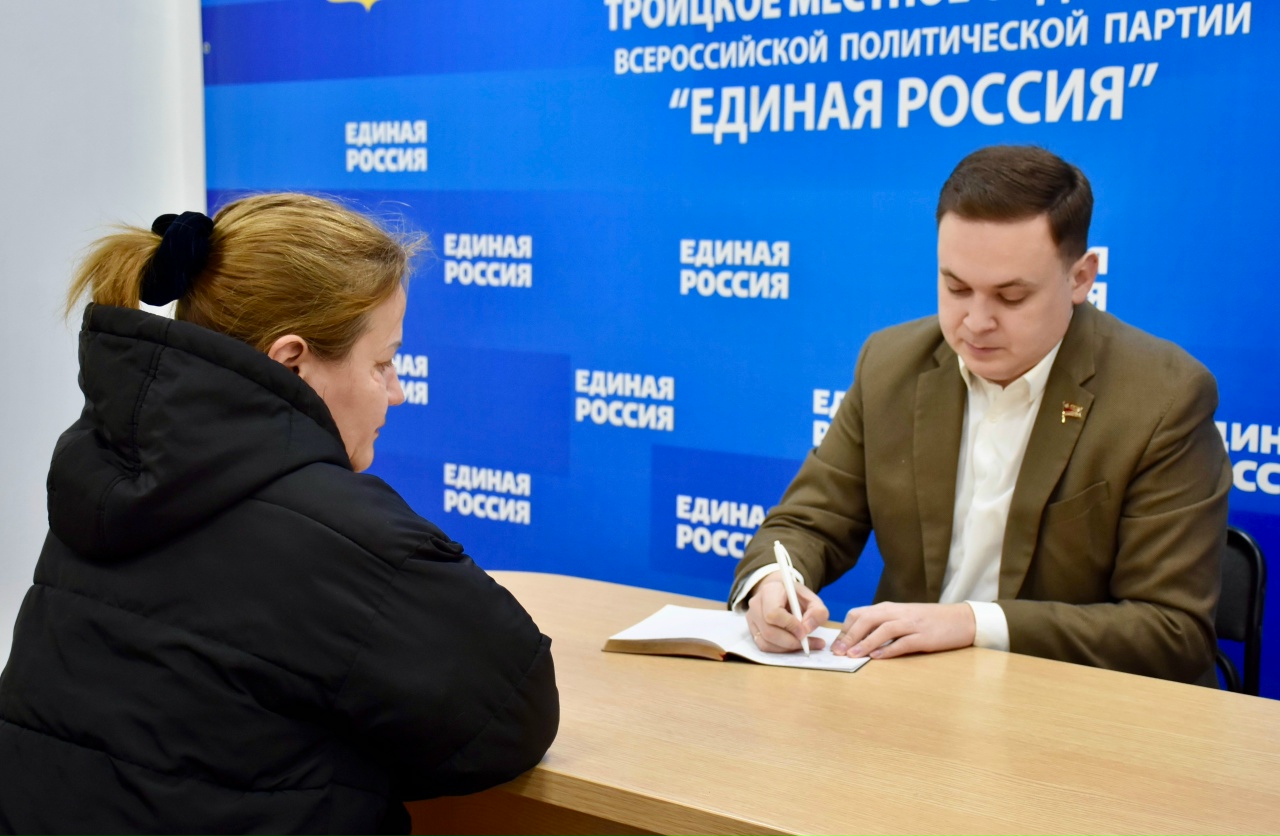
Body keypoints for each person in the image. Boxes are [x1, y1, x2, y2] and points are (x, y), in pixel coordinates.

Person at [0, 194, 559, 835]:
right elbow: (511, 718)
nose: (397, 391)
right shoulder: (343, 535)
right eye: (382, 363)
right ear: (292, 362)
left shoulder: (98, 479)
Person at [732, 146, 1231, 685]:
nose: (975, 322)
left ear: (1081, 277)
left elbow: (1172, 631)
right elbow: (806, 522)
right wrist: (772, 582)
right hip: (905, 694)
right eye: (956, 287)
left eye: (1011, 297)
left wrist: (973, 624)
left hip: (1069, 703)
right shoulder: (890, 364)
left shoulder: (1164, 398)